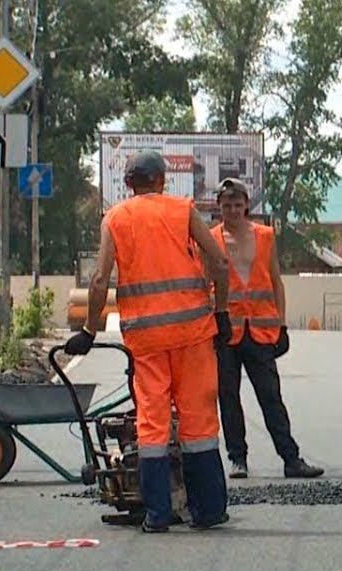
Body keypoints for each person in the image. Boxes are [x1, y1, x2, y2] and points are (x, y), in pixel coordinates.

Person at [63, 150, 233, 533]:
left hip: (146, 338)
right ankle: (208, 510)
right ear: (162, 180)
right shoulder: (181, 209)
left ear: (128, 185)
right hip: (193, 333)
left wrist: (89, 331)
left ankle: (157, 514)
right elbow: (220, 263)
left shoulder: (115, 219)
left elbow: (99, 281)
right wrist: (220, 312)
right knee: (199, 421)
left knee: (152, 425)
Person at [210, 177, 323, 480]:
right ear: (219, 207)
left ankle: (291, 459)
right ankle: (238, 459)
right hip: (225, 332)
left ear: (247, 205)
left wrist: (282, 324)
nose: (233, 210)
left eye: (238, 204)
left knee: (270, 396)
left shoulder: (264, 236)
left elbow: (275, 281)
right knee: (228, 396)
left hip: (260, 332)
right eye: (227, 205)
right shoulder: (211, 240)